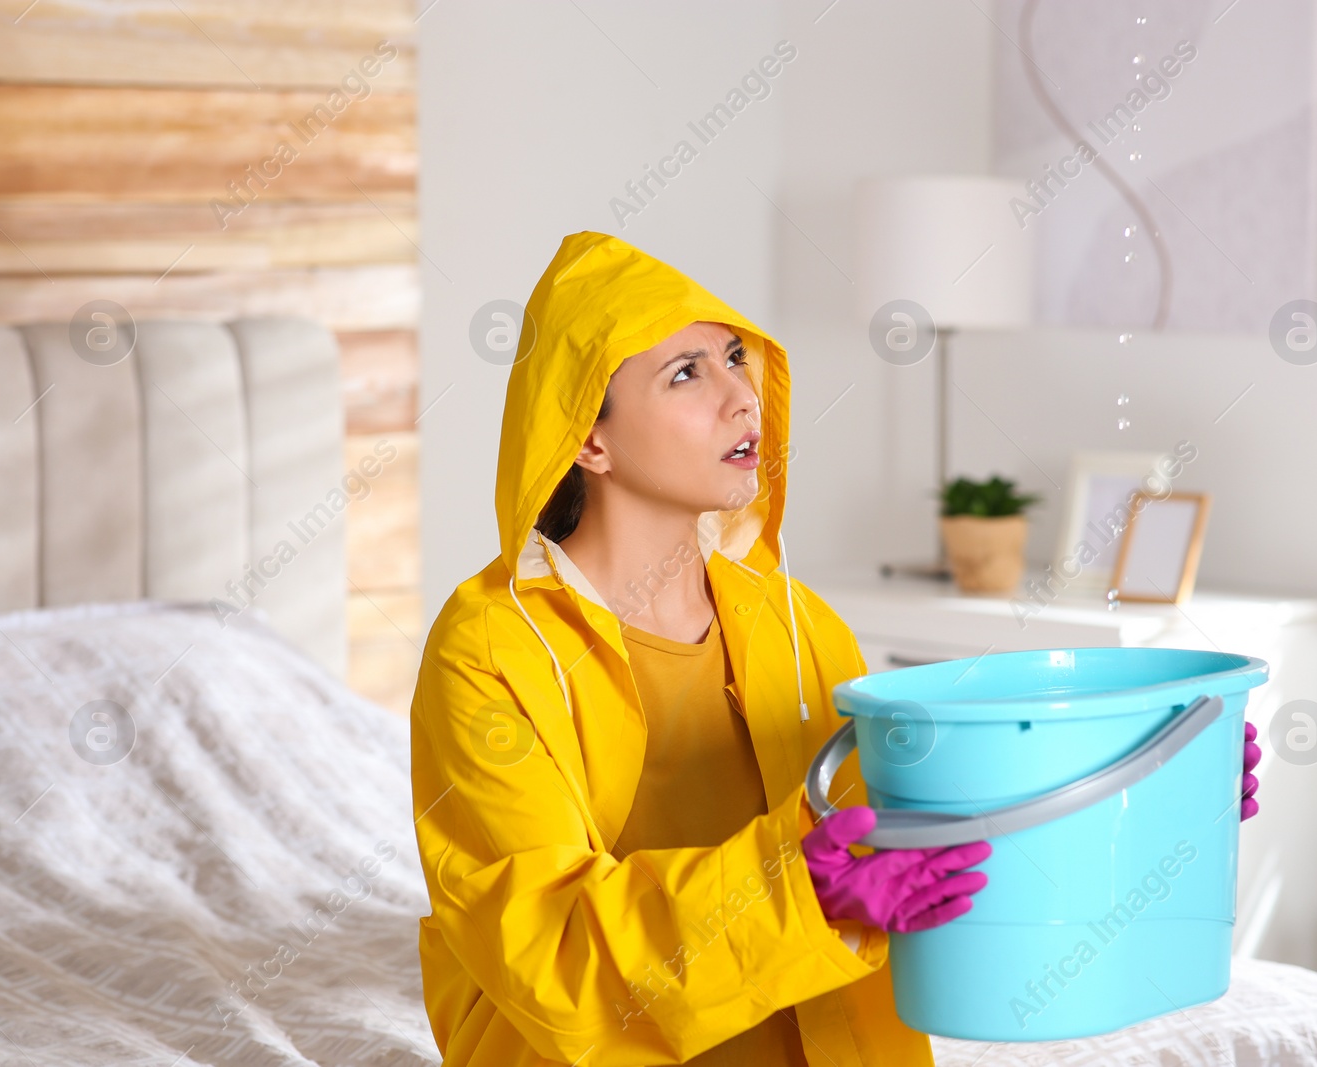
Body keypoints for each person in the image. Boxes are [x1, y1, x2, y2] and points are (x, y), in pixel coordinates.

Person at [409, 230, 1262, 1066]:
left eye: (736, 357)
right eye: (686, 373)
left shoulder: (798, 623)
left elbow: (931, 841)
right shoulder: (489, 649)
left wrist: (1159, 785)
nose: (742, 397)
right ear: (585, 440)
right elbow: (547, 945)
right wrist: (799, 890)